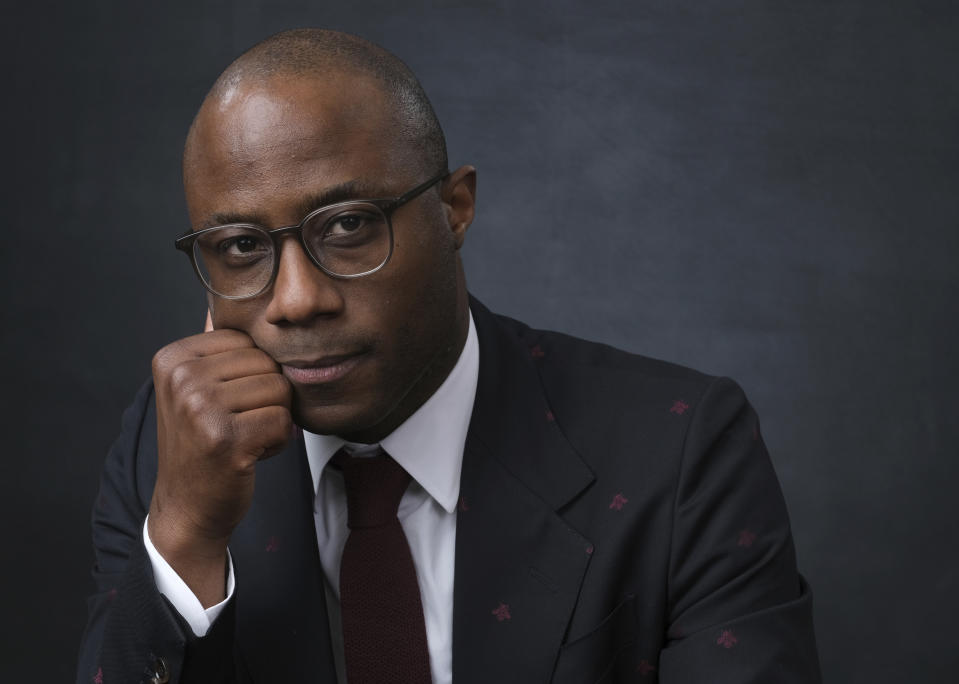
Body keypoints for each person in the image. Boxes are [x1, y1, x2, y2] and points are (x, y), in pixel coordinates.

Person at [77, 28, 821, 684]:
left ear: (454, 208)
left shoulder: (679, 448)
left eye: (348, 227)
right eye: (241, 247)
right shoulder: (165, 454)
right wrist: (181, 540)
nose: (296, 300)